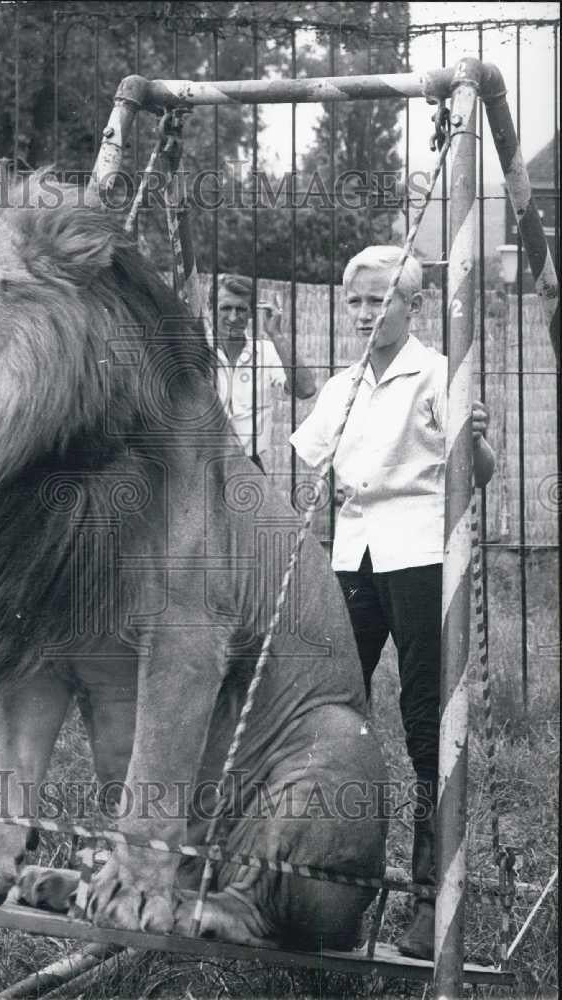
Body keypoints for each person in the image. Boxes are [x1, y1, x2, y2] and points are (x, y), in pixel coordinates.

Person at [289, 245, 495, 960]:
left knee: (421, 723)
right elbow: (307, 463)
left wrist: (479, 448)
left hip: (418, 554)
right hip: (352, 557)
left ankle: (428, 898)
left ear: (411, 306)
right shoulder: (344, 385)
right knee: (329, 710)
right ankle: (316, 879)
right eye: (354, 302)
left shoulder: (438, 372)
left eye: (379, 300)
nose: (365, 313)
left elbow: (481, 470)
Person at [211, 273, 316, 473]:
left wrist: (275, 334)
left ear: (251, 313)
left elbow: (306, 389)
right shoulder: (196, 350)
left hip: (249, 466)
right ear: (211, 309)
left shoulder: (266, 351)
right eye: (225, 308)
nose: (233, 317)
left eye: (241, 309)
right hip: (201, 465)